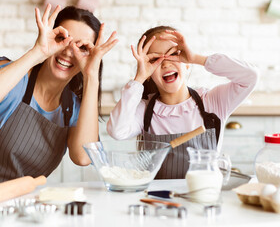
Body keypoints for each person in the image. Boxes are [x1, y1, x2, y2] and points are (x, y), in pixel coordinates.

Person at [0, 4, 118, 185]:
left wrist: (91, 75)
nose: (68, 51)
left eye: (82, 48)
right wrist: (38, 52)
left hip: (26, 207)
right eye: (62, 38)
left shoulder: (72, 107)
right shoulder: (14, 78)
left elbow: (83, 157)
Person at [107, 26, 258, 179]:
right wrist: (139, 78)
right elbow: (117, 131)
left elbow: (251, 76)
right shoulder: (145, 110)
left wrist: (197, 58)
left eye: (173, 54)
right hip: (159, 199)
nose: (165, 64)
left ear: (186, 62)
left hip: (204, 194)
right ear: (148, 72)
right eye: (154, 60)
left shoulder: (211, 102)